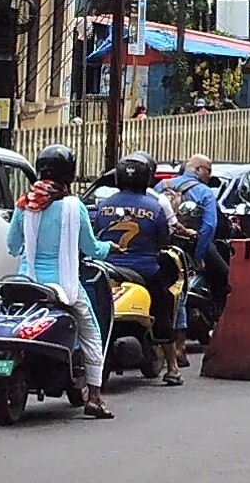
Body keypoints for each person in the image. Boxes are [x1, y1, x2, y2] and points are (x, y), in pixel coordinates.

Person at [7, 145, 115, 418]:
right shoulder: (73, 206)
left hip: (25, 282)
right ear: (70, 173)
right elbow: (92, 248)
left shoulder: (25, 204)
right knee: (91, 332)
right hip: (62, 286)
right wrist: (109, 247)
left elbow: (12, 245)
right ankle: (95, 398)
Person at [96, 154, 183, 385]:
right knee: (162, 307)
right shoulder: (154, 208)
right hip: (144, 272)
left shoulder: (104, 206)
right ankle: (173, 368)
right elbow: (164, 241)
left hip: (107, 270)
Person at [156, 155, 223, 360]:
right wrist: (199, 256)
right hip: (189, 246)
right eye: (208, 170)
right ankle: (219, 322)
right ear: (197, 169)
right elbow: (209, 226)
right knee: (223, 275)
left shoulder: (161, 186)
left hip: (162, 247)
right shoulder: (204, 192)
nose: (209, 175)